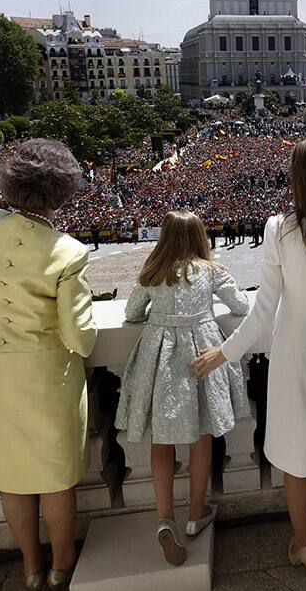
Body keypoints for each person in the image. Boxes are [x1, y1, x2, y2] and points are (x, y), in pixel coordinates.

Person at [191, 136, 306, 578]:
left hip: (293, 353)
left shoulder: (280, 229)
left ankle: (302, 542)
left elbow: (262, 312)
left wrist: (225, 352)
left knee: (297, 455)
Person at [0, 131, 97, 591]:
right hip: (45, 378)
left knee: (13, 479)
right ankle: (61, 566)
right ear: (63, 192)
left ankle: (30, 567)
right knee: (55, 479)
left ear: (10, 185)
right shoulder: (68, 252)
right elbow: (80, 338)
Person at [115, 210, 250, 565]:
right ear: (200, 237)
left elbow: (131, 313)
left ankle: (165, 520)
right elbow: (241, 305)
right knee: (201, 436)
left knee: (162, 440)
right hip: (200, 357)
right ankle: (195, 513)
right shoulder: (210, 271)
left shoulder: (152, 272)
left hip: (159, 360)